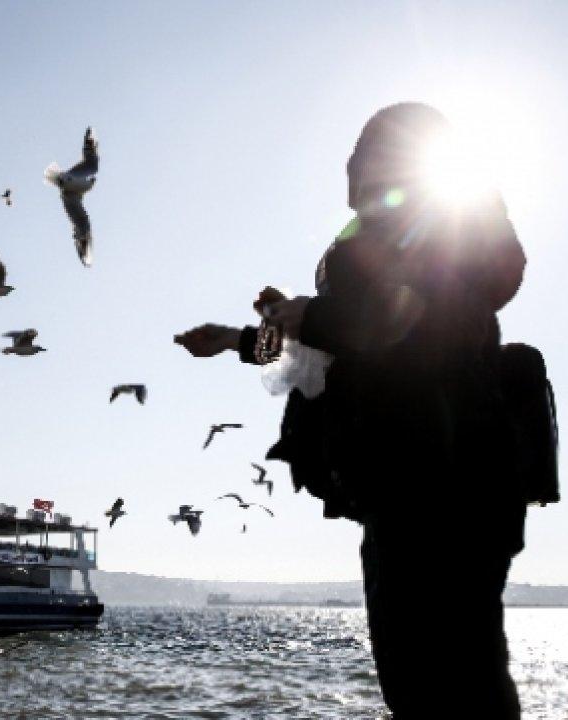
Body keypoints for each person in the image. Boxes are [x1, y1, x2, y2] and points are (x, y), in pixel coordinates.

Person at [176, 103, 527, 718]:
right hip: (398, 494)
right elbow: (337, 347)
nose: (356, 187)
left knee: (446, 689)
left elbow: (414, 331)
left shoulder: (447, 233)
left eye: (367, 170)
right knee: (428, 687)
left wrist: (312, 314)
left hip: (441, 496)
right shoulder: (379, 240)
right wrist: (236, 339)